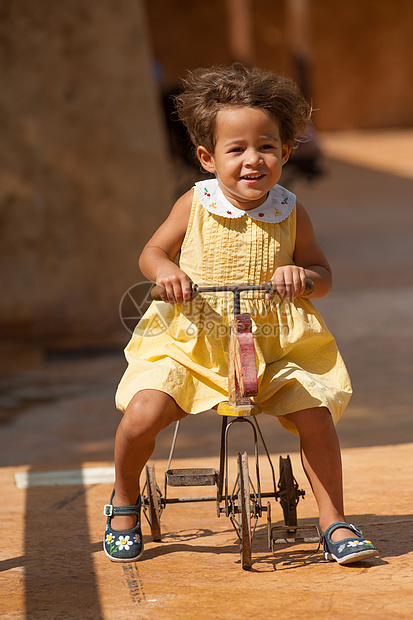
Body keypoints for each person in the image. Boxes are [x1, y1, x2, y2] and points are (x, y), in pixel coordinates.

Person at [103, 64, 378, 565]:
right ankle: (123, 500)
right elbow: (151, 251)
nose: (254, 159)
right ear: (209, 158)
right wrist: (168, 272)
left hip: (274, 343)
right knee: (142, 414)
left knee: (315, 415)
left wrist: (302, 277)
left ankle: (334, 520)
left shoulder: (291, 210)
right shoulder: (196, 202)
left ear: (287, 153)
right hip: (190, 341)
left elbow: (323, 273)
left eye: (267, 147)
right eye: (237, 149)